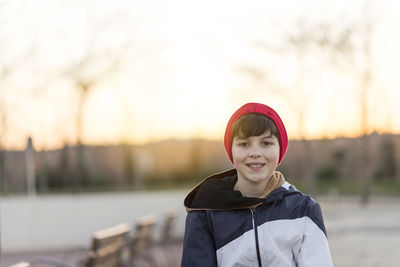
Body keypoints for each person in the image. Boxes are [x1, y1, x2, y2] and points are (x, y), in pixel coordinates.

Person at [181, 102, 333, 267]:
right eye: (244, 144)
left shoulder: (303, 210)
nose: (255, 153)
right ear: (231, 150)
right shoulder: (205, 212)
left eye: (266, 143)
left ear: (279, 149)